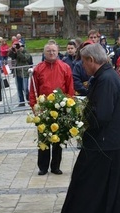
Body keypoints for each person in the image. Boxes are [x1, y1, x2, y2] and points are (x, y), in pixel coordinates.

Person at [47, 43, 120, 213]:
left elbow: (101, 115)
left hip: (102, 143)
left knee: (85, 184)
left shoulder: (106, 79)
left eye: (83, 62)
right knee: (103, 187)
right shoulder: (105, 76)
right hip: (108, 143)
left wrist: (78, 120)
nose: (82, 66)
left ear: (92, 60)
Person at [29, 42, 74, 175]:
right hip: (43, 109)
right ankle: (43, 167)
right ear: (44, 53)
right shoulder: (38, 69)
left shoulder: (65, 67)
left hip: (60, 108)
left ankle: (55, 166)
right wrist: (34, 107)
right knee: (43, 138)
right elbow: (33, 90)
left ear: (58, 51)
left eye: (54, 50)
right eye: (48, 51)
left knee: (58, 138)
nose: (51, 53)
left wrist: (69, 106)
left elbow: (70, 88)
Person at [8, 42, 33, 106]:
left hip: (24, 72)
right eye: (19, 46)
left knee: (25, 88)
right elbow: (10, 56)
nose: (20, 48)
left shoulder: (26, 52)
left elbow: (24, 58)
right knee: (19, 88)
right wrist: (12, 49)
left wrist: (18, 52)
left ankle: (29, 99)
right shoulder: (16, 52)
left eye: (21, 46)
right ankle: (21, 101)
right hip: (17, 73)